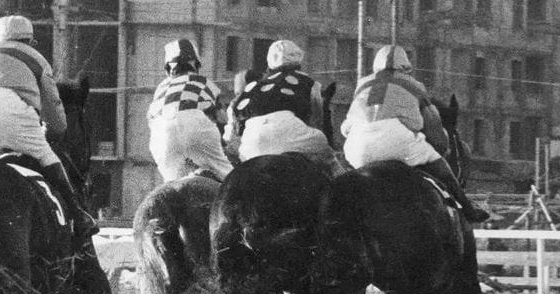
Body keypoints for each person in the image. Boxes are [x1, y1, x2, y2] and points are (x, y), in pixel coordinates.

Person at [0, 14, 98, 243]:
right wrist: (52, 134)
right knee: (47, 156)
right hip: (4, 109)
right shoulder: (34, 57)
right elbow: (54, 112)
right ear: (29, 40)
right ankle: (79, 215)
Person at [341, 44, 491, 222]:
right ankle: (468, 210)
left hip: (356, 145)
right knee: (440, 165)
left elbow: (345, 128)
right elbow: (433, 128)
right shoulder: (414, 85)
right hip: (395, 140)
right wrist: (440, 150)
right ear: (406, 66)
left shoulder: (362, 83)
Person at [226, 39, 334, 167]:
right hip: (290, 134)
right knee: (324, 146)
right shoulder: (310, 83)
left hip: (251, 146)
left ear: (269, 60)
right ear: (298, 59)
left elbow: (233, 130)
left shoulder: (253, 86)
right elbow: (319, 119)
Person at [146, 38, 233, 182]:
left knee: (171, 183)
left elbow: (151, 119)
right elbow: (221, 118)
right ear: (195, 64)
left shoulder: (160, 88)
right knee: (231, 179)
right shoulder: (203, 82)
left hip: (161, 133)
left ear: (168, 68)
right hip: (195, 126)